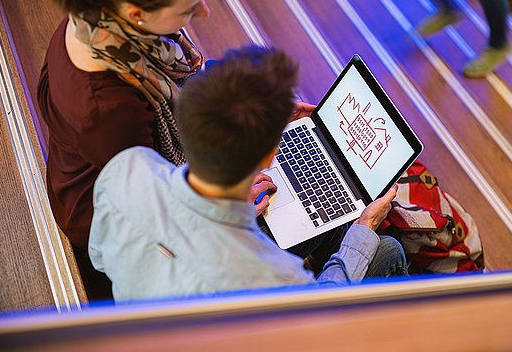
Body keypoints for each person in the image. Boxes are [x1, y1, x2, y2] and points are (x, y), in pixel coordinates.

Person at [88, 46, 407, 300]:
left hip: (141, 316)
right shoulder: (277, 275)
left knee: (336, 225)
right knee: (387, 250)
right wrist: (363, 228)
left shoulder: (127, 168)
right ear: (271, 154)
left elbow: (99, 259)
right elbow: (321, 313)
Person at [37, 0, 212, 300]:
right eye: (188, 9)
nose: (206, 13)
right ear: (136, 14)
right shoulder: (110, 110)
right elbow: (156, 200)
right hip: (107, 209)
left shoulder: (94, 15)